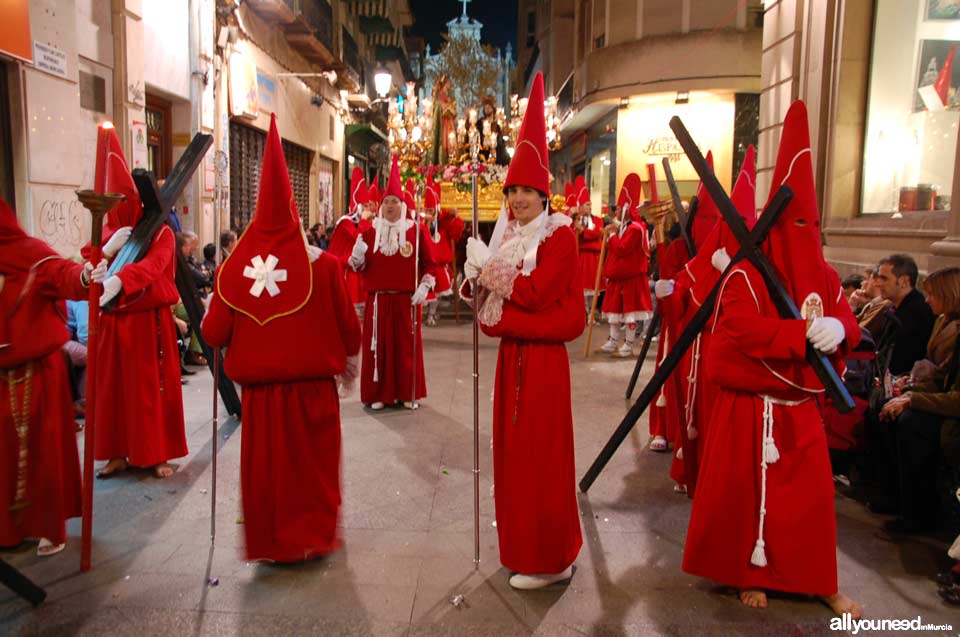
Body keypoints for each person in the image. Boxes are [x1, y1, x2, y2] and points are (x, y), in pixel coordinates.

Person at [682, 101, 862, 618]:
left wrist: (839, 328)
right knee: (748, 499)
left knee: (809, 503)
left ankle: (819, 580)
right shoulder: (746, 272)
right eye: (794, 219)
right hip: (752, 409)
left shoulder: (825, 277)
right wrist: (801, 333)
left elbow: (844, 320)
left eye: (811, 220)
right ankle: (749, 573)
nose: (802, 230)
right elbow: (739, 326)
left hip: (800, 409)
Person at [202, 114, 361, 562]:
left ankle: (276, 546)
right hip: (313, 394)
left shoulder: (233, 271)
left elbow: (213, 333)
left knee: (268, 474)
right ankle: (311, 539)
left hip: (261, 401)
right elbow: (351, 331)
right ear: (295, 209)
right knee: (312, 470)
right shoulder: (326, 266)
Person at [462, 72, 585, 590]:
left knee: (541, 459)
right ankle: (524, 549)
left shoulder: (560, 239)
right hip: (511, 362)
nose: (517, 200)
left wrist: (492, 274)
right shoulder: (510, 238)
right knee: (512, 460)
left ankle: (550, 559)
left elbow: (536, 295)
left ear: (543, 193)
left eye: (527, 191)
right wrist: (478, 280)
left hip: (543, 369)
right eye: (512, 191)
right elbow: (489, 320)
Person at [0, 196, 104, 556]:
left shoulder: (30, 251)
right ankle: (9, 530)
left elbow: (62, 274)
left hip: (35, 375)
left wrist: (86, 275)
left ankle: (48, 526)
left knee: (42, 453)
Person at [87, 124, 187, 479]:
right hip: (114, 324)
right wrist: (103, 253)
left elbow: (155, 265)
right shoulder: (109, 232)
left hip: (149, 324)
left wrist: (120, 278)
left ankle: (157, 453)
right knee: (114, 393)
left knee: (151, 392)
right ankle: (118, 452)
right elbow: (87, 261)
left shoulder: (160, 231)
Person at [348, 156, 438, 411]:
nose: (389, 206)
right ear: (381, 205)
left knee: (405, 349)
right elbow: (358, 266)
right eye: (386, 201)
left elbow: (430, 264)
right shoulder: (368, 231)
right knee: (378, 348)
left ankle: (406, 393)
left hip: (406, 301)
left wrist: (425, 285)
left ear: (402, 204)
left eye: (394, 201)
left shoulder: (415, 231)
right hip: (377, 300)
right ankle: (379, 394)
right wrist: (356, 257)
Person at [876, 266, 960, 533]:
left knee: (911, 424)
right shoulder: (942, 320)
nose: (927, 299)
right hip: (940, 396)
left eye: (933, 294)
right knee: (885, 406)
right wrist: (910, 386)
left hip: (952, 415)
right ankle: (895, 499)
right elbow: (941, 373)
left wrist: (913, 398)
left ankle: (918, 516)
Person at [599, 173, 652, 358]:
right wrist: (610, 236)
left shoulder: (636, 229)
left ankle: (628, 343)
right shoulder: (623, 226)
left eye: (620, 207)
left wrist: (612, 236)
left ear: (628, 208)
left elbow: (622, 249)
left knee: (630, 312)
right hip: (618, 276)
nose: (617, 211)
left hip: (631, 277)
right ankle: (613, 340)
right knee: (613, 310)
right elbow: (613, 249)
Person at [875, 253, 936, 375]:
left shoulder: (917, 312)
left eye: (884, 278)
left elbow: (900, 362)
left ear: (903, 281)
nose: (878, 284)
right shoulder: (895, 307)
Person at [328, 167, 372, 319]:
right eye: (365, 206)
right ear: (358, 206)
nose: (368, 209)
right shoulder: (345, 222)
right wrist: (366, 221)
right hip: (344, 268)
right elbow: (359, 237)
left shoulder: (358, 222)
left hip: (355, 267)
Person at [573, 175, 604, 318]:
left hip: (594, 258)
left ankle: (591, 313)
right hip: (582, 258)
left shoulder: (597, 219)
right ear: (580, 206)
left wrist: (584, 232)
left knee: (594, 288)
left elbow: (598, 233)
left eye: (590, 204)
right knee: (582, 288)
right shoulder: (575, 220)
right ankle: (583, 313)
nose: (590, 207)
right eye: (587, 204)